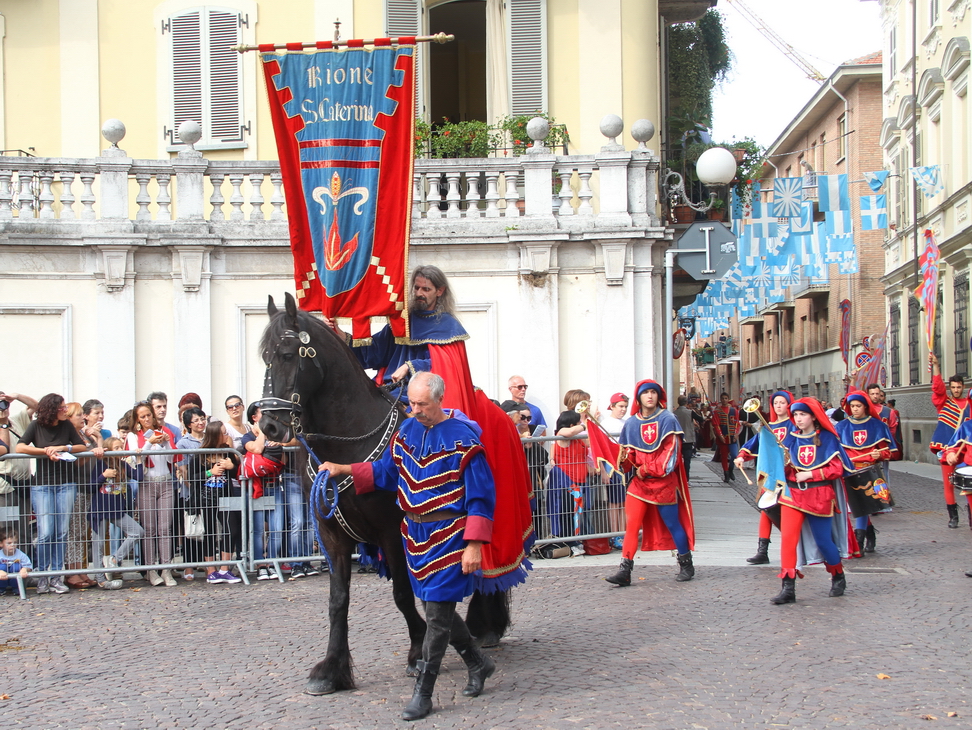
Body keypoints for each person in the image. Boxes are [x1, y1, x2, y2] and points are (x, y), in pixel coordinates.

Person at [323, 264, 533, 597]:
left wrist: (413, 366)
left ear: (440, 292)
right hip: (392, 395)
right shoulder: (399, 322)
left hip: (429, 400)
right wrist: (343, 337)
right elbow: (372, 354)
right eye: (416, 288)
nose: (419, 294)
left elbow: (447, 370)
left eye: (425, 289)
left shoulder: (448, 327)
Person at [319, 373, 497, 721]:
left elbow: (481, 497)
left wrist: (474, 544)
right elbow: (387, 473)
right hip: (415, 538)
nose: (414, 410)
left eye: (422, 405)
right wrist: (343, 468)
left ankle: (424, 693)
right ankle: (478, 663)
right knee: (437, 609)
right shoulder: (407, 431)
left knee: (436, 617)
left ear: (439, 400)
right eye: (411, 404)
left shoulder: (464, 439)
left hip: (450, 535)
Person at [605, 380, 696, 586]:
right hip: (639, 485)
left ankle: (686, 564)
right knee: (632, 526)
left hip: (663, 483)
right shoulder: (631, 423)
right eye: (646, 393)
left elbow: (671, 454)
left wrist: (648, 468)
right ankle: (625, 570)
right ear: (639, 397)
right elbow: (631, 456)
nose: (650, 396)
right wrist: (623, 459)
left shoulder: (668, 419)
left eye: (654, 392)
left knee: (673, 524)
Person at [770, 398, 854, 605]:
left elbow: (837, 469)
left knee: (824, 541)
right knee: (788, 540)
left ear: (814, 417)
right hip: (793, 496)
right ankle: (788, 587)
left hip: (819, 496)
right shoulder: (790, 439)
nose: (798, 419)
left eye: (803, 415)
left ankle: (837, 575)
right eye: (796, 415)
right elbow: (782, 466)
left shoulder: (827, 439)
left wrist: (811, 474)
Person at [16, 393, 87, 594]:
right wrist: (46, 451)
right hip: (43, 485)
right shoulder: (36, 425)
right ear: (53, 409)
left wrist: (63, 448)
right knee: (46, 532)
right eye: (62, 407)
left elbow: (82, 446)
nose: (66, 410)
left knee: (61, 532)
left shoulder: (66, 426)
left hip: (66, 483)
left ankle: (56, 576)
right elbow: (20, 446)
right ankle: (42, 576)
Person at [835, 390, 896, 556]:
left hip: (869, 471)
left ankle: (859, 540)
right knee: (858, 506)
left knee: (862, 506)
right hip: (848, 472)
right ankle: (869, 533)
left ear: (865, 407)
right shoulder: (841, 427)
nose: (855, 409)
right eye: (852, 406)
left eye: (858, 406)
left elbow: (889, 451)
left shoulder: (878, 426)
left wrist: (880, 454)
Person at [734, 390, 793, 565]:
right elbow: (754, 444)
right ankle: (762, 550)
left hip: (791, 476)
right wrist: (741, 456)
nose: (779, 406)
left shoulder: (795, 425)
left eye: (782, 403)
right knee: (766, 511)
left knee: (790, 513)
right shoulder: (768, 428)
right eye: (776, 403)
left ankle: (797, 545)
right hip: (771, 477)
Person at [126, 401, 179, 587]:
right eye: (143, 416)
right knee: (149, 529)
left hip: (165, 481)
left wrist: (164, 442)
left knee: (165, 528)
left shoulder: (163, 431)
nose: (147, 419)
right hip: (146, 483)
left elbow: (172, 458)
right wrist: (149, 442)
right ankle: (150, 569)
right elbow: (135, 458)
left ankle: (166, 569)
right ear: (138, 420)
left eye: (149, 415)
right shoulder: (134, 436)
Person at [185, 420, 243, 585]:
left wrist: (232, 466)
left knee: (230, 529)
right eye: (223, 433)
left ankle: (225, 568)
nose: (226, 436)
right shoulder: (200, 455)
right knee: (209, 532)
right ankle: (211, 570)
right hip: (206, 498)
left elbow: (237, 474)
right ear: (215, 435)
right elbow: (191, 478)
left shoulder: (228, 452)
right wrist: (210, 472)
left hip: (225, 497)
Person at [88, 437, 143, 590]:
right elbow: (90, 486)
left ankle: (114, 559)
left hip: (117, 509)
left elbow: (138, 476)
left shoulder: (123, 465)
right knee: (98, 544)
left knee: (137, 531)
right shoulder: (100, 464)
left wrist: (138, 459)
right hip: (99, 509)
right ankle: (100, 578)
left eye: (121, 447)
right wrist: (103, 476)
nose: (120, 450)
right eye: (116, 448)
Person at [241, 402, 285, 581]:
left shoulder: (277, 435)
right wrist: (262, 433)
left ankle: (273, 562)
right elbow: (257, 449)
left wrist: (277, 442)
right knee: (258, 529)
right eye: (263, 414)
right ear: (254, 418)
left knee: (277, 528)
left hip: (274, 485)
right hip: (255, 488)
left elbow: (283, 460)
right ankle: (260, 565)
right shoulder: (247, 436)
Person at [928, 353, 971, 528]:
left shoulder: (969, 404)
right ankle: (953, 516)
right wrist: (936, 366)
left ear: (963, 387)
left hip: (966, 450)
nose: (956, 390)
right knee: (948, 484)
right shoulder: (943, 402)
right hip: (947, 448)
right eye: (953, 387)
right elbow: (937, 388)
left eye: (959, 387)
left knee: (969, 483)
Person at [64, 402, 101, 589]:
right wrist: (91, 452)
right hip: (77, 486)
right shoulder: (71, 437)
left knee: (80, 532)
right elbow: (77, 463)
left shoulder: (83, 435)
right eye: (78, 415)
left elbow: (98, 452)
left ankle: (81, 569)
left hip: (88, 487)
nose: (82, 418)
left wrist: (97, 439)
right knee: (73, 532)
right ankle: (72, 571)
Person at [548, 410, 595, 556]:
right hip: (567, 483)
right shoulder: (562, 434)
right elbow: (567, 432)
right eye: (577, 422)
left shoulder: (579, 438)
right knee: (568, 515)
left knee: (576, 515)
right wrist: (584, 424)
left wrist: (592, 423)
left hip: (579, 482)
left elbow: (590, 441)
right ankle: (569, 542)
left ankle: (575, 541)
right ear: (571, 424)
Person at [0, 390, 38, 556]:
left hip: (24, 483)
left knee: (23, 529)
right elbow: (4, 448)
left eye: (3, 403)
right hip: (7, 486)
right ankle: (7, 571)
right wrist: (2, 423)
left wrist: (16, 396)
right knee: (7, 531)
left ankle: (24, 567)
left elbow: (36, 406)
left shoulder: (16, 420)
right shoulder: (4, 425)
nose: (3, 408)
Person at [599, 393, 629, 546]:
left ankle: (624, 533)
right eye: (620, 406)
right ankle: (615, 534)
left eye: (625, 407)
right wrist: (603, 470)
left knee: (624, 503)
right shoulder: (607, 423)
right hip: (612, 466)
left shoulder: (626, 422)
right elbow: (602, 449)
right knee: (614, 503)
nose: (623, 410)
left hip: (625, 464)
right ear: (612, 406)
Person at [673, 395, 702, 483]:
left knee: (676, 459)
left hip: (677, 439)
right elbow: (701, 419)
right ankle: (686, 479)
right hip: (688, 439)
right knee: (687, 460)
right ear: (686, 402)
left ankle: (677, 478)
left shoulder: (674, 413)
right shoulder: (690, 412)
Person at [713, 392, 740, 482]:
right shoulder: (717, 411)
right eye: (723, 398)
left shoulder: (734, 410)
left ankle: (731, 469)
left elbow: (737, 423)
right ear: (721, 399)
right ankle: (726, 473)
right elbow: (716, 424)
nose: (724, 400)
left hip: (732, 437)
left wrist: (736, 434)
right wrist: (720, 435)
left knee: (734, 455)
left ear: (728, 399)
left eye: (726, 398)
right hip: (723, 437)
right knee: (724, 456)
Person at [0, 528, 31, 596]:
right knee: (2, 567)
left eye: (15, 542)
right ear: (1, 544)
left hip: (15, 579)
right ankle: (1, 588)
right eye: (9, 543)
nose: (12, 545)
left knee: (16, 566)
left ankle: (17, 588)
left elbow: (29, 566)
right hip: (2, 577)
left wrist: (24, 569)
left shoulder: (20, 554)